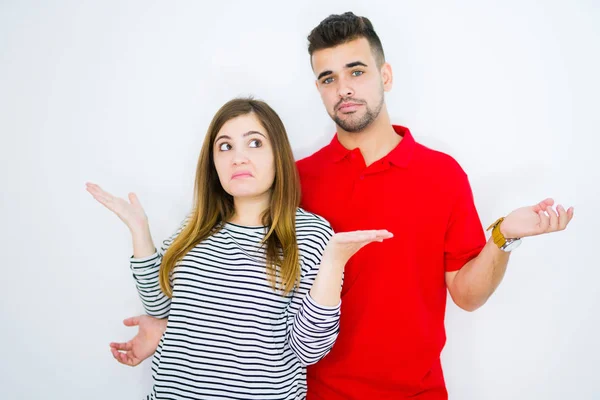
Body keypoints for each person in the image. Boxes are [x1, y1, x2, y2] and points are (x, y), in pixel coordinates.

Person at [109, 12, 574, 400]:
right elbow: (233, 284)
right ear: (318, 88)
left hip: (418, 392)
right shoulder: (293, 181)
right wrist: (167, 328)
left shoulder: (442, 175)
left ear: (385, 75)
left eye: (357, 71)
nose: (343, 88)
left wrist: (503, 236)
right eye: (328, 78)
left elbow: (468, 296)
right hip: (316, 391)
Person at [86, 98, 392, 399]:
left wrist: (334, 262)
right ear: (214, 162)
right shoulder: (194, 227)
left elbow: (308, 349)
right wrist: (139, 231)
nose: (238, 157)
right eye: (225, 146)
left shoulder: (309, 234)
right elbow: (160, 307)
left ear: (278, 155)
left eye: (255, 143)